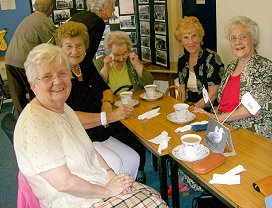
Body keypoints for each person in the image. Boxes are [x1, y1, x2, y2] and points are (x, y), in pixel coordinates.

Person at [14, 43, 167, 208]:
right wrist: (107, 191)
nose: (57, 81)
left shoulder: (63, 108)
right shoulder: (37, 124)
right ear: (33, 84)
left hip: (94, 184)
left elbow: (88, 146)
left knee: (153, 195)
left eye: (62, 73)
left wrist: (110, 175)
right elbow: (64, 183)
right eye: (47, 76)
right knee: (155, 204)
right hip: (74, 201)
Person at [55, 21, 144, 181]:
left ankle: (124, 195)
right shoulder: (59, 76)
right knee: (115, 164)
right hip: (79, 137)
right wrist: (107, 117)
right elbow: (70, 117)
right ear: (60, 47)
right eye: (69, 46)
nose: (75, 51)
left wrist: (106, 107)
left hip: (100, 130)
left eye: (79, 45)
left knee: (133, 159)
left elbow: (106, 90)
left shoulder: (85, 66)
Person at [194, 16, 272, 142]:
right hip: (225, 126)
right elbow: (225, 103)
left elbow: (252, 109)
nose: (237, 42)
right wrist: (208, 113)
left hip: (252, 132)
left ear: (254, 40)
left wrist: (216, 117)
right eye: (232, 38)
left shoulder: (264, 67)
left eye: (243, 37)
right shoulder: (231, 66)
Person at [5, 0, 56, 115]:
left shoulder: (28, 18)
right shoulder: (44, 21)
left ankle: (23, 122)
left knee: (18, 97)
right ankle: (41, 117)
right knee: (37, 92)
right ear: (50, 9)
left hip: (10, 60)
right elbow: (54, 45)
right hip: (24, 63)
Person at [174, 16, 224, 109]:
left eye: (194, 36)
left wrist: (192, 109)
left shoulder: (211, 58)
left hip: (210, 109)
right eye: (186, 37)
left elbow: (212, 95)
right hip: (189, 107)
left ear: (200, 37)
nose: (191, 42)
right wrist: (179, 108)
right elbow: (182, 90)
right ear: (181, 41)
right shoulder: (182, 59)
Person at [70, 0, 115, 71]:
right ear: (102, 7)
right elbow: (87, 57)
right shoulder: (97, 23)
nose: (114, 9)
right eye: (112, 5)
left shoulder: (80, 15)